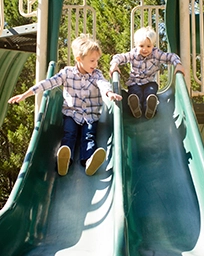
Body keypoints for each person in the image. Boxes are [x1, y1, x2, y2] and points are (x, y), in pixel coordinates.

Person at [8, 34, 122, 176]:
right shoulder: (67, 73)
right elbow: (48, 83)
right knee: (69, 134)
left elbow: (103, 84)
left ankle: (88, 161)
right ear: (79, 59)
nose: (96, 64)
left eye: (97, 60)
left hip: (90, 115)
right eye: (92, 60)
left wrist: (109, 93)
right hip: (71, 113)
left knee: (89, 136)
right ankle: (64, 161)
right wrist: (25, 94)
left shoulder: (96, 74)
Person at [110, 26, 185, 119]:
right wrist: (114, 64)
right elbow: (120, 57)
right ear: (136, 45)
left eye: (148, 46)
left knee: (151, 91)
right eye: (141, 46)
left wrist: (178, 64)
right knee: (135, 93)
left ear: (153, 45)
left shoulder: (156, 54)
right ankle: (136, 108)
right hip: (135, 83)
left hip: (149, 82)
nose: (145, 49)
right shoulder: (133, 54)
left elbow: (170, 56)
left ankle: (150, 108)